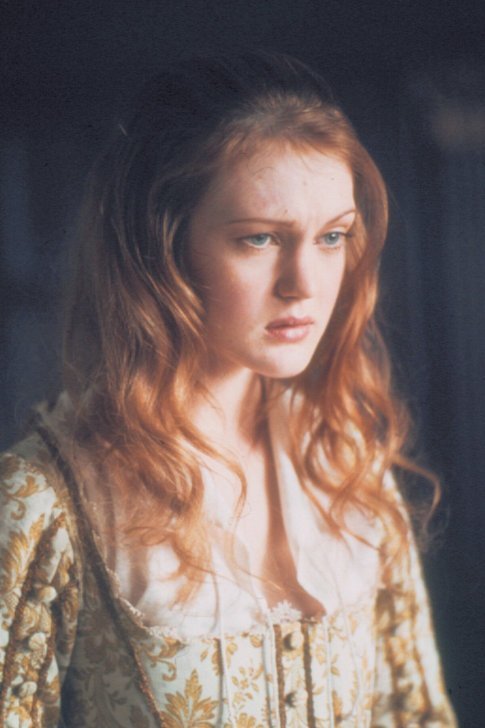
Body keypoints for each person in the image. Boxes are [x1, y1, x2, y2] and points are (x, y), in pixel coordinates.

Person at [0, 51, 456, 727]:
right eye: (259, 239)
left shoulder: (344, 456)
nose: (304, 283)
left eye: (332, 236)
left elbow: (415, 713)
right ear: (164, 246)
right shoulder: (47, 497)